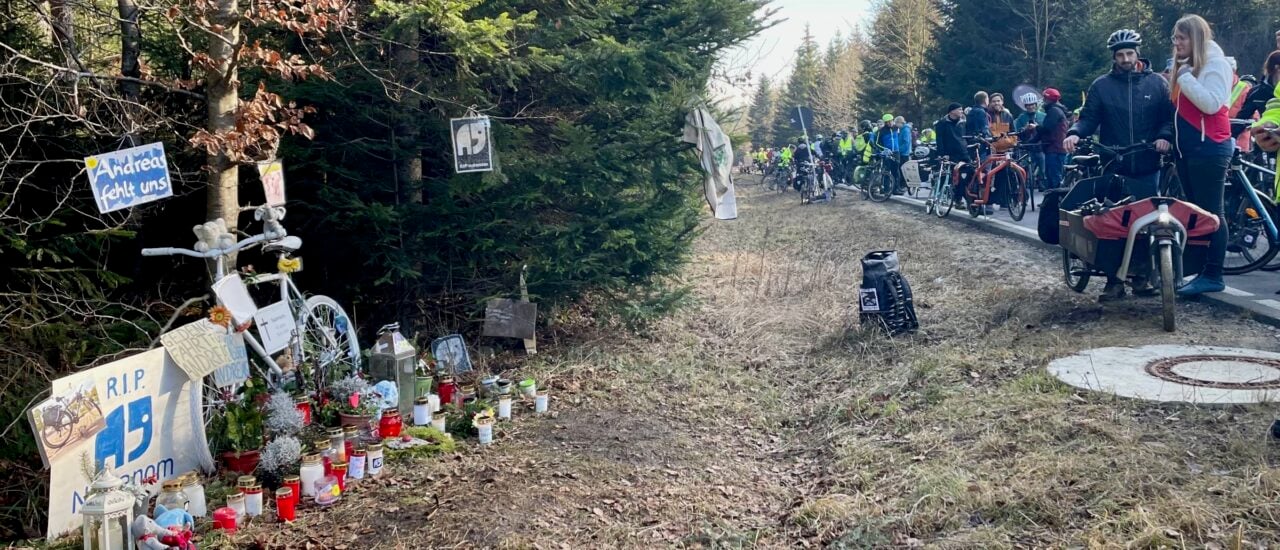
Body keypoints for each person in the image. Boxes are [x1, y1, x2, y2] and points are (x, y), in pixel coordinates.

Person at [1064, 28, 1174, 302]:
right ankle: (1114, 281)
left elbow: (1167, 118)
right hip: (1114, 164)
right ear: (1114, 57)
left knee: (1148, 224)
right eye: (1120, 54)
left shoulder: (1157, 85)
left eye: (1129, 53)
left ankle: (1141, 277)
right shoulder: (1101, 86)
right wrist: (1075, 132)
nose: (1125, 58)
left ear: (1138, 54)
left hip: (1148, 164)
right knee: (1114, 226)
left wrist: (1164, 137)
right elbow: (1089, 117)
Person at [1169, 15, 1234, 296]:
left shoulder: (1215, 64)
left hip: (1209, 149)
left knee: (1213, 214)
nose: (1176, 43)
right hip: (1189, 151)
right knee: (1197, 213)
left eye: (1181, 38)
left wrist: (1184, 78)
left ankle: (1214, 274)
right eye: (1175, 38)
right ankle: (1199, 271)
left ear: (1195, 38)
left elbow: (1211, 104)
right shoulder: (1188, 67)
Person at [1038, 88, 1070, 189]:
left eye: (1044, 98)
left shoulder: (1054, 111)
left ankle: (1054, 202)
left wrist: (1035, 127)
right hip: (1056, 148)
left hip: (1055, 149)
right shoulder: (1058, 110)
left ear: (1048, 99)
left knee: (1054, 176)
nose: (1043, 101)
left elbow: (1047, 128)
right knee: (1052, 176)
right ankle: (1050, 201)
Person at [1015, 92, 1047, 188]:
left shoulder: (1043, 116)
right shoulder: (1021, 117)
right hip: (1027, 146)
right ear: (1025, 106)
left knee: (1043, 165)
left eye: (1032, 105)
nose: (1030, 107)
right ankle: (1027, 181)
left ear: (1035, 105)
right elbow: (1018, 132)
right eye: (1028, 105)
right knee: (1026, 166)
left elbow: (1046, 129)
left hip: (1040, 145)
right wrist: (1025, 129)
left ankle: (1042, 181)